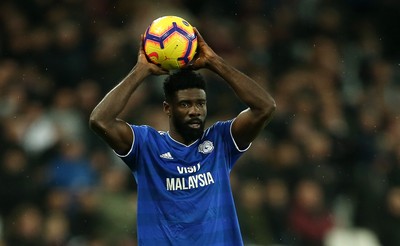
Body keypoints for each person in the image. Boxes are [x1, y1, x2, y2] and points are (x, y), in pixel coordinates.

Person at [89, 27, 276, 245]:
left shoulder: (220, 141)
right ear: (168, 108)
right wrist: (141, 70)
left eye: (200, 103)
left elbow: (265, 107)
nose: (195, 110)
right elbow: (99, 120)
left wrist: (215, 63)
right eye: (185, 104)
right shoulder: (147, 145)